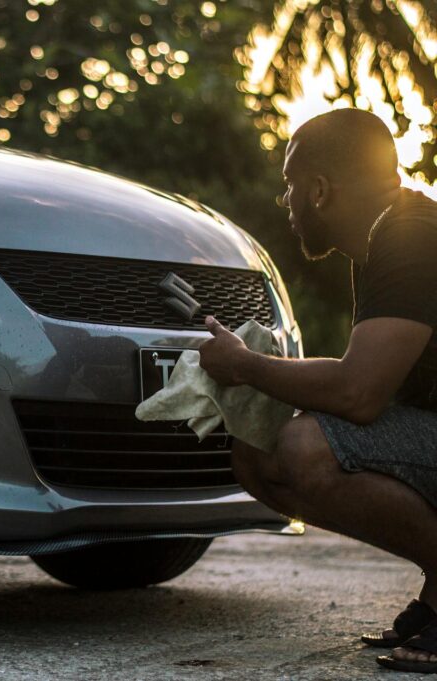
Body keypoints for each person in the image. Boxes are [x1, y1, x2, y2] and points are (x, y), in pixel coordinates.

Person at [197, 108, 437, 674]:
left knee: (305, 447)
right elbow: (377, 380)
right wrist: (268, 374)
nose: (287, 202)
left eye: (290, 186)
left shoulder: (409, 238)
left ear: (321, 190)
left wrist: (248, 366)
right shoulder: (389, 236)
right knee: (258, 453)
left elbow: (359, 393)